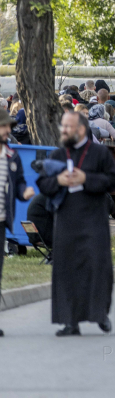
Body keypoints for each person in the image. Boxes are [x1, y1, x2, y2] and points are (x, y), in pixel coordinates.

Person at [37, 112, 115, 336]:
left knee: (97, 268)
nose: (62, 130)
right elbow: (43, 184)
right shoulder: (57, 154)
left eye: (67, 127)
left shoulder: (100, 153)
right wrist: (58, 181)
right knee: (66, 270)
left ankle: (99, 313)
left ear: (80, 130)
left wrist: (86, 179)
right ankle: (70, 322)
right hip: (65, 220)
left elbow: (113, 181)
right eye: (62, 126)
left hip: (94, 219)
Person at [0, 108, 35, 337]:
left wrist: (24, 192)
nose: (7, 131)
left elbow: (20, 181)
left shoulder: (11, 155)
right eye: (3, 127)